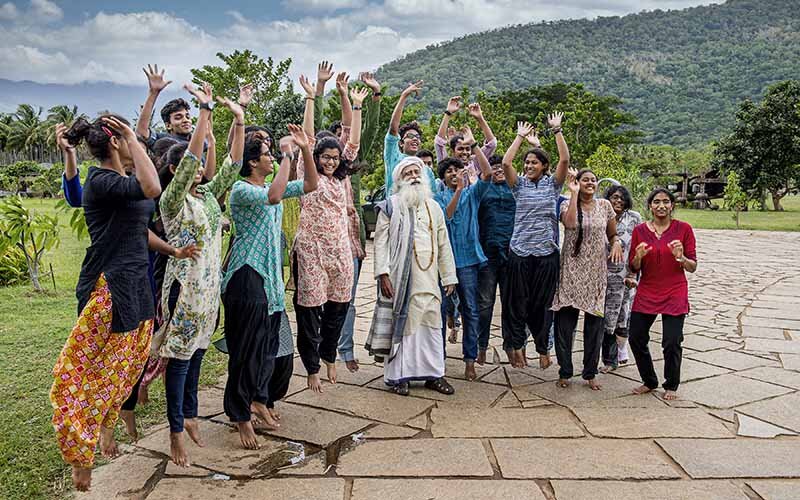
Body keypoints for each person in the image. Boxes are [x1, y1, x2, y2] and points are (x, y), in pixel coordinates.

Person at [50, 114, 161, 492]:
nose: (139, 146)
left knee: (123, 373)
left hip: (135, 287)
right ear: (116, 143)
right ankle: (79, 455)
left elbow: (138, 222)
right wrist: (130, 134)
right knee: (87, 375)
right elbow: (152, 188)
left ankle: (100, 434)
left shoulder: (120, 180)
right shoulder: (104, 182)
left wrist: (137, 124)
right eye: (129, 140)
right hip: (109, 289)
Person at [148, 83, 244, 466]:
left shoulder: (205, 196)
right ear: (176, 169)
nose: (201, 167)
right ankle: (175, 433)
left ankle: (189, 416)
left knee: (199, 353)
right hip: (184, 291)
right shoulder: (172, 200)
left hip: (207, 292)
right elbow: (191, 160)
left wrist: (238, 121)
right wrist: (203, 112)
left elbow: (232, 167)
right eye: (192, 163)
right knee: (181, 359)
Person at [221, 125, 316, 448]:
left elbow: (310, 184)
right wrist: (288, 155)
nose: (272, 157)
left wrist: (303, 149)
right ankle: (239, 414)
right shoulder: (241, 189)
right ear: (252, 163)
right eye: (267, 153)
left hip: (270, 281)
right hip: (246, 277)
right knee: (246, 351)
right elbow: (274, 196)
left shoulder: (269, 184)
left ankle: (259, 399)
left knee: (266, 351)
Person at [292, 74, 367, 393]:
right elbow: (308, 140)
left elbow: (353, 141)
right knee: (309, 312)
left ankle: (329, 355)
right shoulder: (308, 175)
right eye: (325, 157)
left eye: (334, 159)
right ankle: (311, 367)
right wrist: (311, 98)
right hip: (311, 251)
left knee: (339, 306)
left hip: (339, 252)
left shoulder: (340, 179)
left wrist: (356, 104)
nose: (330, 162)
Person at [366, 156, 458, 396]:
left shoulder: (434, 207)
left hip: (429, 279)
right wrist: (382, 274)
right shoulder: (391, 206)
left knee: (431, 325)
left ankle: (434, 375)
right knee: (406, 325)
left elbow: (443, 242)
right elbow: (381, 243)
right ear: (399, 180)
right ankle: (399, 377)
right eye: (408, 173)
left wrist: (448, 276)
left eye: (417, 172)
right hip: (400, 279)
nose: (414, 176)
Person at [313, 67, 384, 374]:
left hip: (348, 239)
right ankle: (319, 347)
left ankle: (345, 349)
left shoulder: (347, 166)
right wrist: (319, 89)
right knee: (316, 300)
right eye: (327, 153)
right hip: (318, 242)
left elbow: (362, 132)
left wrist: (368, 97)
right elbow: (312, 129)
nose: (333, 159)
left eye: (338, 151)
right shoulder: (314, 172)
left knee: (347, 299)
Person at [500, 117, 570, 369]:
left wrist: (556, 130)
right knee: (516, 304)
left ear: (544, 166)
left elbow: (564, 160)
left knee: (543, 306)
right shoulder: (518, 186)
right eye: (527, 162)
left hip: (546, 254)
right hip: (519, 252)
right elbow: (506, 162)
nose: (529, 166)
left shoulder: (553, 186)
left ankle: (542, 348)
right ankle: (517, 346)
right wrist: (519, 137)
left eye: (534, 162)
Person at [551, 169, 623, 390]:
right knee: (564, 324)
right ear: (578, 183)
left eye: (593, 180)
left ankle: (590, 372)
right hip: (571, 270)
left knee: (595, 326)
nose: (590, 183)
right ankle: (565, 371)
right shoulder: (566, 204)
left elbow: (612, 234)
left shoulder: (605, 206)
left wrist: (617, 243)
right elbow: (570, 224)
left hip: (595, 272)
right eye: (585, 180)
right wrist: (572, 194)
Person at [434, 127, 493, 380]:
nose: (453, 174)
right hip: (444, 263)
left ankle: (470, 360)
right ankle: (438, 360)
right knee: (439, 311)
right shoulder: (437, 197)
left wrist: (474, 144)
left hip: (468, 260)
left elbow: (488, 173)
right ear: (444, 176)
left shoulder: (473, 193)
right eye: (448, 171)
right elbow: (446, 215)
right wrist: (457, 191)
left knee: (470, 309)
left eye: (457, 170)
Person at [629, 188, 697, 401]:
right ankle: (649, 380)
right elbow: (634, 266)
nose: (661, 206)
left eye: (666, 201)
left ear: (672, 205)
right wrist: (638, 256)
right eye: (656, 202)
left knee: (672, 340)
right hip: (648, 289)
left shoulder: (683, 229)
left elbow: (692, 266)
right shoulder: (639, 231)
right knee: (636, 337)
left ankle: (671, 384)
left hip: (674, 291)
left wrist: (681, 257)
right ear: (650, 206)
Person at [136, 64, 216, 179]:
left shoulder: (196, 142)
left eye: (187, 116)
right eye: (178, 117)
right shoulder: (162, 140)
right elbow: (141, 132)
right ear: (168, 125)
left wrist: (208, 106)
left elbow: (208, 133)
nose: (186, 120)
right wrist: (153, 93)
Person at [476, 154, 516, 365]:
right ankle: (481, 346)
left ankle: (510, 345)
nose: (499, 170)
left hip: (512, 254)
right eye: (494, 167)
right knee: (484, 303)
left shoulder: (516, 188)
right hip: (487, 253)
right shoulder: (483, 188)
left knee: (511, 304)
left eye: (502, 166)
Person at [601, 185, 641, 371]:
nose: (618, 201)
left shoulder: (634, 218)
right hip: (603, 275)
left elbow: (640, 244)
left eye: (621, 198)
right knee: (606, 317)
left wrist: (634, 271)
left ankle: (622, 348)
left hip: (626, 274)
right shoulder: (601, 215)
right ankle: (609, 361)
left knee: (624, 313)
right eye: (614, 197)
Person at [384, 80, 437, 192]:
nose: (415, 139)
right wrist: (404, 96)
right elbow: (393, 128)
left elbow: (433, 197)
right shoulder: (393, 157)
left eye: (417, 137)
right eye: (410, 136)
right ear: (401, 143)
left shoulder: (426, 171)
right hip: (396, 208)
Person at [434, 97, 497, 184]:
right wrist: (448, 113)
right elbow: (439, 143)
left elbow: (492, 144)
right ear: (453, 151)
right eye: (460, 149)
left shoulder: (475, 163)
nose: (465, 152)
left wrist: (480, 118)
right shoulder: (448, 165)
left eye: (467, 149)